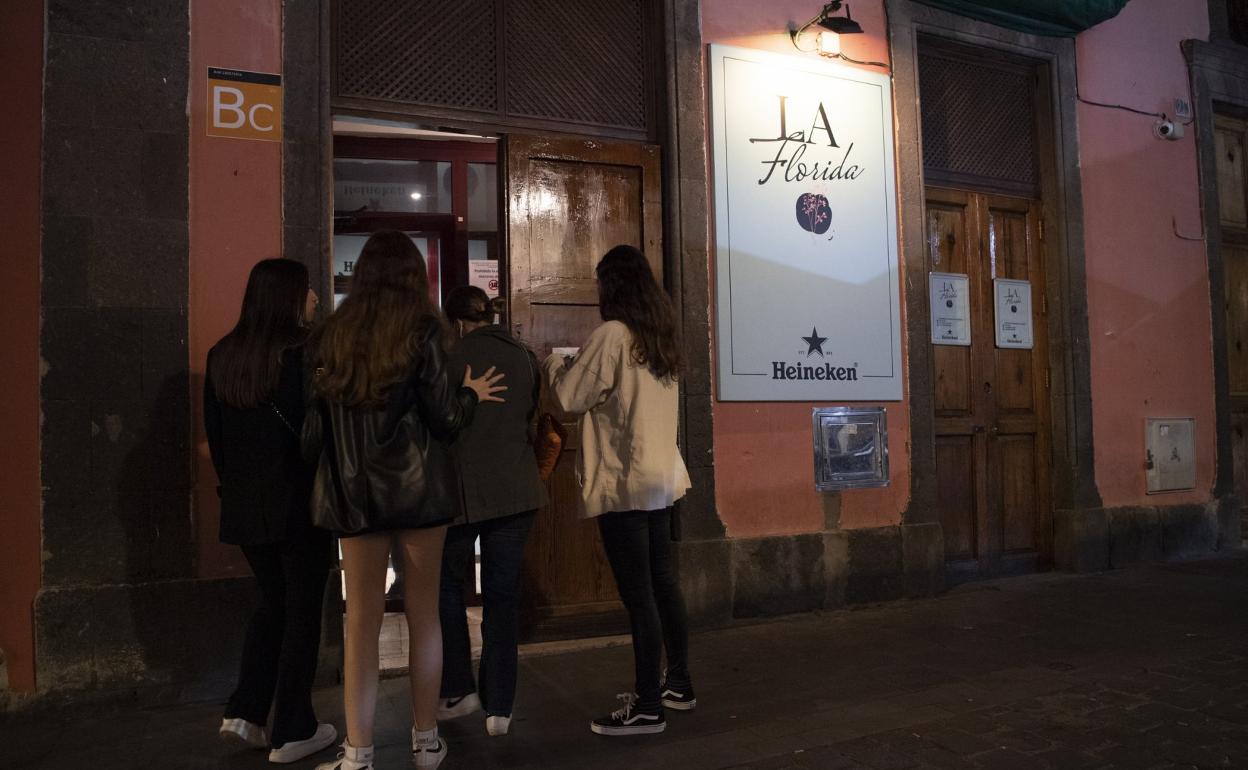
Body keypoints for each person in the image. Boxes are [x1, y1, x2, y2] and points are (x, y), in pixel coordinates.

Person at [305, 231, 506, 770]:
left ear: (362, 274)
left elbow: (314, 429)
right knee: (425, 617)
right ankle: (425, 741)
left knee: (360, 624)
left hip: (355, 494)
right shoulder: (425, 332)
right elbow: (445, 419)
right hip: (420, 494)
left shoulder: (331, 335)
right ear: (414, 276)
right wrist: (471, 395)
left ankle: (357, 752)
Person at [542, 244, 695, 736]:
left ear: (612, 286)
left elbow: (569, 398)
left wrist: (553, 364)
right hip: (660, 479)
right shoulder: (660, 336)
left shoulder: (612, 335)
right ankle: (679, 685)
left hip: (626, 482)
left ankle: (648, 707)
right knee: (663, 585)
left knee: (639, 596)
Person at [205, 258, 338, 764]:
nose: (313, 299)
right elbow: (317, 435)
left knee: (272, 605)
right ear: (288, 296)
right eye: (306, 291)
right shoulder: (304, 355)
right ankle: (292, 729)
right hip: (300, 506)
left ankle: (246, 711)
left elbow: (218, 442)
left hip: (245, 510)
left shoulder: (223, 356)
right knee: (303, 614)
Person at [436, 286, 546, 737]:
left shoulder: (450, 358)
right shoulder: (524, 357)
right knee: (502, 595)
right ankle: (500, 706)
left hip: (460, 494)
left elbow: (439, 424)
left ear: (458, 321)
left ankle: (460, 687)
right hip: (517, 490)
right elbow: (533, 420)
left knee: (446, 586)